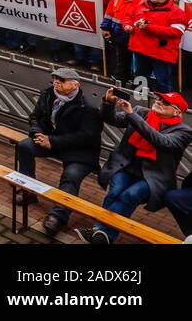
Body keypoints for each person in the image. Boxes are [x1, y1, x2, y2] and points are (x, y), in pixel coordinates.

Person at [80, 90, 192, 244]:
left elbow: (161, 141)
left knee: (130, 195)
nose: (158, 101)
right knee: (115, 192)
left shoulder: (183, 131)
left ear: (176, 111)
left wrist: (132, 115)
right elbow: (111, 119)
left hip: (154, 177)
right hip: (126, 166)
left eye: (165, 102)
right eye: (158, 98)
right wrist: (108, 102)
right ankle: (102, 234)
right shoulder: (141, 112)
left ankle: (102, 232)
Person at [14, 67, 103, 237]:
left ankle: (58, 216)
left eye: (61, 80)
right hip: (52, 142)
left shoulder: (88, 107)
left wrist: (52, 141)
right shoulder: (48, 94)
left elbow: (87, 137)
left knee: (71, 176)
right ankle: (28, 192)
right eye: (55, 78)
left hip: (79, 152)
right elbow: (35, 117)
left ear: (75, 84)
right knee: (24, 146)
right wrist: (37, 134)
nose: (56, 82)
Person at [127, 0, 186, 94]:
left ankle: (163, 108)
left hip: (161, 53)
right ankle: (140, 103)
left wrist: (148, 27)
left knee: (162, 82)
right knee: (140, 79)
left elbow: (177, 32)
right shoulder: (142, 6)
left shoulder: (177, 12)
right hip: (141, 49)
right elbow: (128, 17)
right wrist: (127, 25)